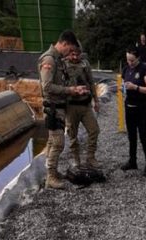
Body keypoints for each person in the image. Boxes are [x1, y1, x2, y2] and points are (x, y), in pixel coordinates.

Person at [38, 30, 90, 189]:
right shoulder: (49, 60)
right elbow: (47, 87)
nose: (70, 53)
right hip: (53, 107)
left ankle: (50, 173)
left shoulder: (58, 60)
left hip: (59, 106)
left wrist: (75, 88)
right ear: (64, 44)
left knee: (52, 142)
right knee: (58, 143)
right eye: (69, 49)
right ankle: (51, 178)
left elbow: (61, 82)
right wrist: (70, 91)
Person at [65, 45, 101, 170]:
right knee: (72, 135)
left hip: (85, 105)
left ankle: (90, 157)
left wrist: (96, 101)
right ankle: (76, 159)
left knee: (94, 130)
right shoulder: (63, 65)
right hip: (71, 107)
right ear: (68, 54)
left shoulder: (85, 64)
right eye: (72, 54)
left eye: (77, 54)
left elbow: (91, 82)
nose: (75, 57)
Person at [122, 48, 146, 176]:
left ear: (138, 58)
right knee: (131, 136)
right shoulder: (126, 69)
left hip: (142, 108)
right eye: (128, 59)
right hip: (129, 106)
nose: (130, 62)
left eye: (132, 60)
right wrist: (123, 88)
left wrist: (135, 87)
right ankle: (132, 161)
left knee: (143, 136)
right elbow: (125, 84)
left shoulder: (144, 70)